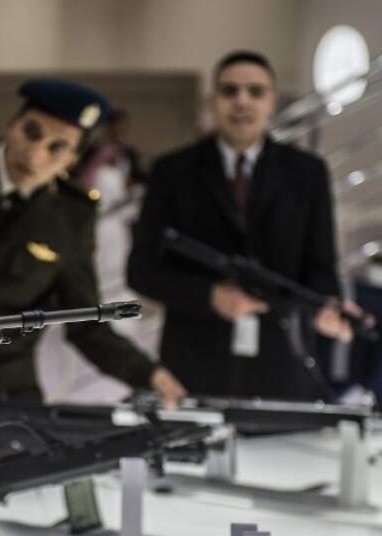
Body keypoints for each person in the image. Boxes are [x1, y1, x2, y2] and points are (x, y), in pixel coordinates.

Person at [0, 78, 186, 410]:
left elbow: (85, 324)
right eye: (32, 133)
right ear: (12, 125)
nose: (35, 155)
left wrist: (151, 375)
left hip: (6, 385)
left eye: (57, 147)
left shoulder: (71, 214)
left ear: (72, 158)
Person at [127, 50, 354, 399]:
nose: (242, 102)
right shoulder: (173, 172)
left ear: (272, 102)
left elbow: (321, 266)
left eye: (255, 92)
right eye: (229, 91)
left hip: (283, 365)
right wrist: (210, 296)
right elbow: (141, 271)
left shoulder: (307, 173)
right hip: (193, 364)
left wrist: (325, 308)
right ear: (213, 100)